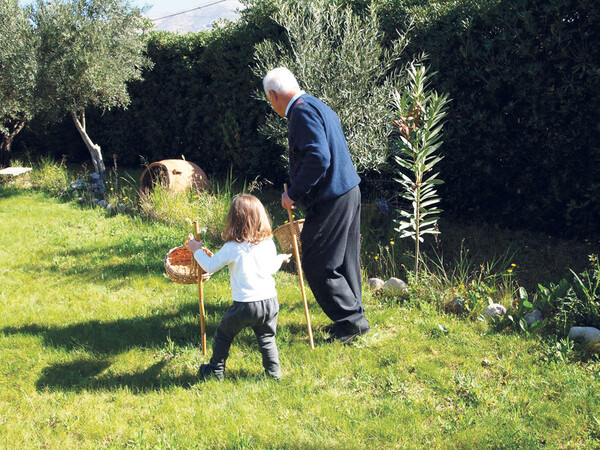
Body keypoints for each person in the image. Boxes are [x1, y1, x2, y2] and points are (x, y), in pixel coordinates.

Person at [263, 67, 370, 344]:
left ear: (273, 95)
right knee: (345, 260)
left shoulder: (300, 112)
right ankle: (352, 320)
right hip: (347, 191)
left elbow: (319, 158)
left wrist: (295, 193)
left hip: (332, 197)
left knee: (317, 262)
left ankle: (351, 324)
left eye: (269, 100)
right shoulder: (316, 104)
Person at [186, 194, 291, 380]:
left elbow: (209, 266)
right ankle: (273, 374)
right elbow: (271, 267)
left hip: (245, 305)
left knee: (223, 335)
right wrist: (280, 259)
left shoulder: (232, 247)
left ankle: (215, 372)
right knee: (267, 338)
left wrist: (196, 250)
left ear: (233, 219)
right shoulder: (267, 243)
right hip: (270, 302)